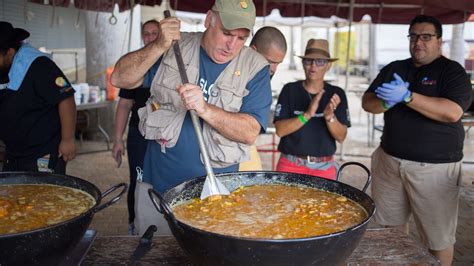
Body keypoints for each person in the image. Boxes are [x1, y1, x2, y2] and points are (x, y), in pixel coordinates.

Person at [111, 0, 271, 233]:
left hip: (215, 198)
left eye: (241, 38)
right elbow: (119, 79)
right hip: (159, 189)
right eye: (227, 33)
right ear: (209, 20)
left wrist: (205, 109)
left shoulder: (255, 67)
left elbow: (249, 132)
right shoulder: (174, 47)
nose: (231, 45)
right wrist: (157, 45)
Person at [361, 15, 472, 266]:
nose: (417, 42)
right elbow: (368, 102)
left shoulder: (452, 71)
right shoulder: (395, 68)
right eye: (413, 36)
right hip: (389, 161)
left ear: (439, 41)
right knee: (391, 230)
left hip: (434, 169)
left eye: (425, 37)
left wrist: (408, 97)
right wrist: (385, 102)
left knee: (438, 238)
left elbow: (452, 112)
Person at [0, 21, 76, 174]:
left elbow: (65, 97)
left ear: (9, 52)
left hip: (43, 153)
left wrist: (68, 139)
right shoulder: (3, 68)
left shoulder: (40, 66)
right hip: (14, 153)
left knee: (44, 195)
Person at [273, 39, 350, 180]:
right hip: (291, 164)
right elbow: (280, 130)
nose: (313, 65)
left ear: (328, 65)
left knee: (326, 203)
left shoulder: (336, 94)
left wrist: (329, 117)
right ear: (303, 63)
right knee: (285, 202)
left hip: (324, 167)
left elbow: (341, 137)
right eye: (308, 61)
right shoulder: (290, 90)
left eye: (320, 61)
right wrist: (307, 115)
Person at [111, 19, 160, 235]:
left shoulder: (172, 64)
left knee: (162, 178)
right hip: (138, 134)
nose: (149, 38)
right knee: (138, 180)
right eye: (146, 34)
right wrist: (117, 139)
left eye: (154, 33)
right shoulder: (135, 65)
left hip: (164, 135)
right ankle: (134, 224)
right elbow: (123, 105)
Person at [239, 26, 287, 171]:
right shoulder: (231, 69)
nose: (274, 69)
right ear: (253, 50)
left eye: (278, 63)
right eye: (270, 61)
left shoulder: (262, 76)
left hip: (247, 152)